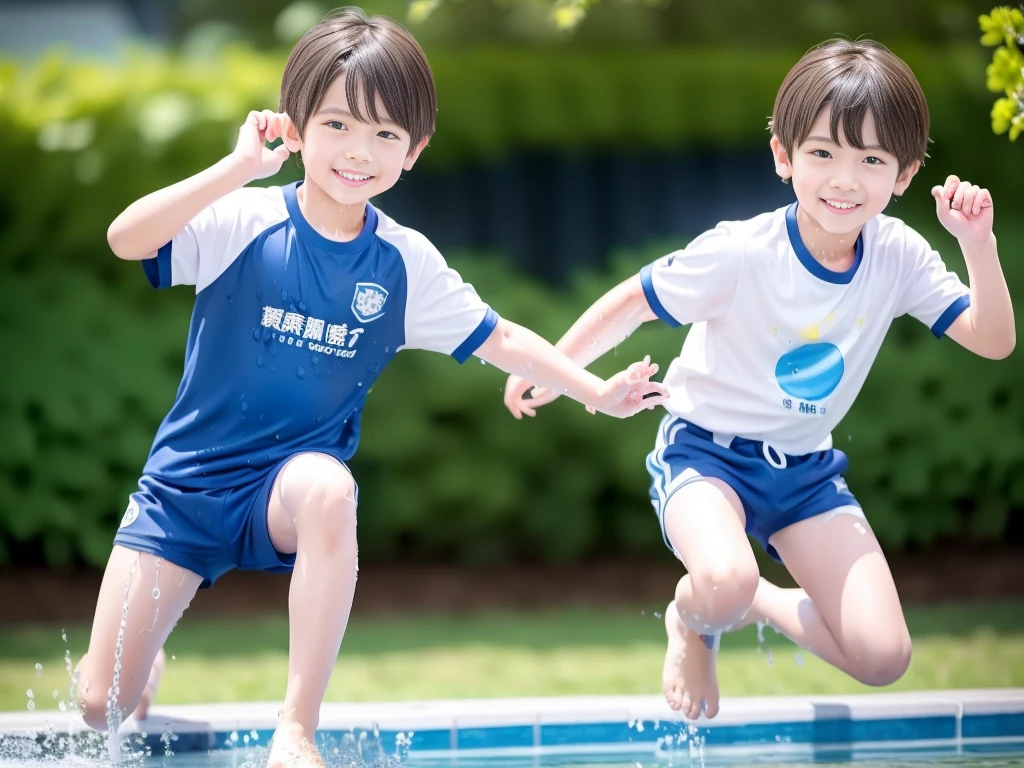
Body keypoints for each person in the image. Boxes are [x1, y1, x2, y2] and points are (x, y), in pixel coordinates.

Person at [74, 7, 668, 766]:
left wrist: (594, 390)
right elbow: (128, 238)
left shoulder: (403, 263)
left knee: (329, 489)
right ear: (295, 127)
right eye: (339, 126)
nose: (360, 152)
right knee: (101, 709)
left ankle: (296, 728)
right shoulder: (246, 220)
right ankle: (142, 661)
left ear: (414, 151)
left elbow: (501, 337)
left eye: (386, 135)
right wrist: (237, 167)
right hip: (184, 491)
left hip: (287, 490)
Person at [502, 38, 1014, 721]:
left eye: (871, 161)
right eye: (823, 153)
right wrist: (562, 370)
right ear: (784, 156)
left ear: (904, 174)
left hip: (805, 476)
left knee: (883, 657)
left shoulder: (898, 256)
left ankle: (748, 607)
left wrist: (978, 247)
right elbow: (633, 300)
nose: (843, 179)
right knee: (722, 578)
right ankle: (696, 619)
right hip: (705, 456)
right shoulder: (742, 253)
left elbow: (993, 340)